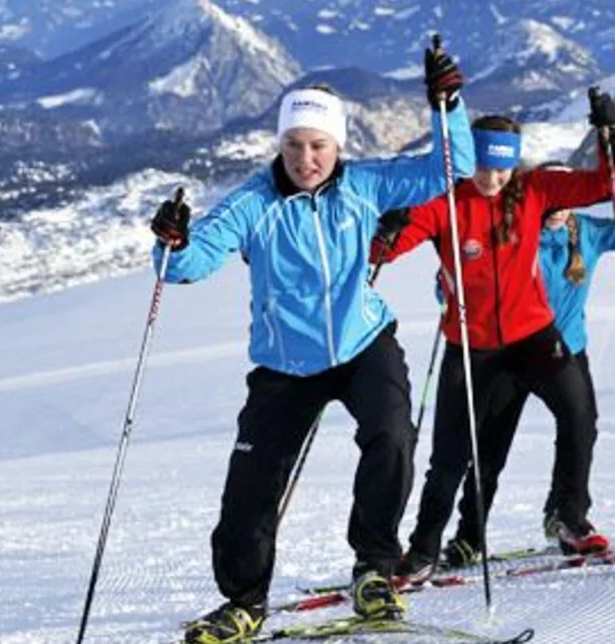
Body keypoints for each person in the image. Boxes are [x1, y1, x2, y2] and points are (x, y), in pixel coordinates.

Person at [150, 42, 472, 644]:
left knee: (392, 435)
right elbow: (188, 263)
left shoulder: (366, 185)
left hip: (361, 344)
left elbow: (448, 171)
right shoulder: (255, 203)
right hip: (284, 363)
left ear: (338, 145)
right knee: (252, 481)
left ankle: (374, 568)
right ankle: (243, 602)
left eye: (318, 145)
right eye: (294, 145)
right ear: (280, 145)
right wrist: (170, 242)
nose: (306, 158)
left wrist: (446, 107)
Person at [372, 90, 615, 581]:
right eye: (483, 168)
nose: (492, 179)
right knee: (451, 458)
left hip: (534, 336)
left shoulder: (534, 190)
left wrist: (610, 137)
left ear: (515, 165)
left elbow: (610, 186)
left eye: (502, 169)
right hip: (472, 347)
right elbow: (383, 252)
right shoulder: (444, 203)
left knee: (580, 417)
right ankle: (424, 551)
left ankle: (569, 519)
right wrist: (388, 230)